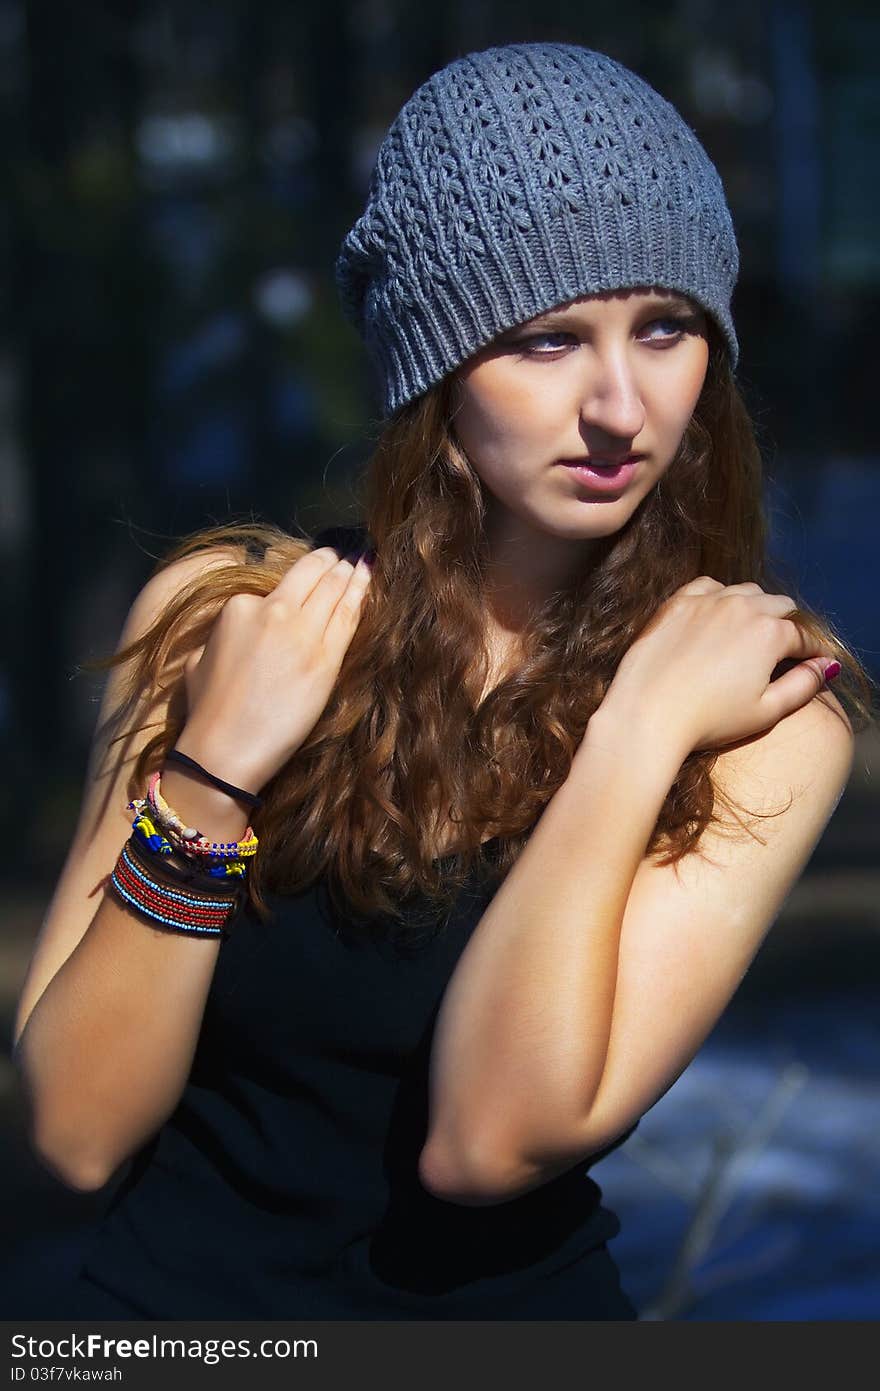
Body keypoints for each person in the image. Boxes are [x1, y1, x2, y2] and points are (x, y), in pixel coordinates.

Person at [12, 41, 874, 1322]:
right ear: (432, 364)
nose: (622, 406)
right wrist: (212, 778)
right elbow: (70, 1131)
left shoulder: (755, 707)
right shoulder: (225, 622)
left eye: (665, 327)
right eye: (544, 341)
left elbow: (489, 1139)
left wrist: (634, 733)